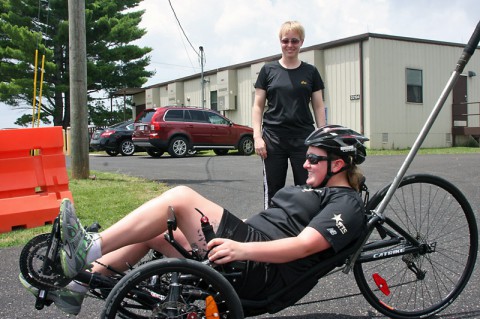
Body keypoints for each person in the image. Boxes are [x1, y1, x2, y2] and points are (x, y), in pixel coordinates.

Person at [20, 125, 368, 316]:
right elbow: (268, 221)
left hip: (257, 271)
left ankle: (88, 248)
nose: (305, 163)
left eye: (314, 158)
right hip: (246, 246)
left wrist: (242, 249)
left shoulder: (346, 202)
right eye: (306, 157)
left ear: (338, 164)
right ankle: (79, 285)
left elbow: (306, 245)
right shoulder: (312, 191)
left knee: (181, 197)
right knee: (160, 220)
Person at [253, 20, 326, 209]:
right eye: (286, 41)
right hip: (273, 140)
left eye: (294, 41)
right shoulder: (268, 70)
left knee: (307, 187)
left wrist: (322, 137)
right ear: (280, 42)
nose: (290, 45)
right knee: (273, 190)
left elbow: (318, 106)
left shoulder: (311, 72)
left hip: (303, 139)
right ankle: (270, 229)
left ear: (302, 42)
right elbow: (258, 106)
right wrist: (257, 137)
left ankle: (306, 230)